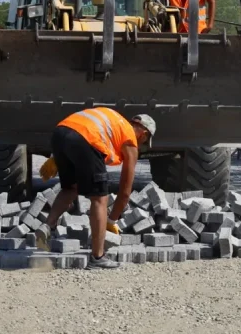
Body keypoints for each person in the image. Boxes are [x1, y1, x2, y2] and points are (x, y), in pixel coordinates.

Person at [35, 107, 156, 269]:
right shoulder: (130, 139)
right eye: (143, 142)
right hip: (85, 139)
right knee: (100, 198)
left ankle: (48, 225)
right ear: (144, 134)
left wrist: (56, 157)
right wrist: (111, 220)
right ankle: (97, 257)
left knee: (71, 188)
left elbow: (77, 128)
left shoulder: (115, 122)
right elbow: (125, 192)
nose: (140, 146)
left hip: (60, 134)